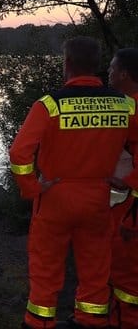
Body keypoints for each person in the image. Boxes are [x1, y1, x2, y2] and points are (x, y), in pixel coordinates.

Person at [9, 37, 138, 329]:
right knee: (95, 274)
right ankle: (90, 322)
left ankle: (39, 324)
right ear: (97, 65)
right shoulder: (126, 105)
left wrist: (31, 188)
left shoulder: (50, 104)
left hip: (55, 196)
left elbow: (19, 153)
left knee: (46, 272)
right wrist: (129, 180)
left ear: (67, 64)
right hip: (98, 198)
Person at [107, 48, 138, 329]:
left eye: (112, 69)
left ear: (124, 74)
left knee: (128, 282)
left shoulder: (134, 110)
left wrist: (126, 181)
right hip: (127, 206)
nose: (109, 73)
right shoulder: (127, 106)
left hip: (134, 212)